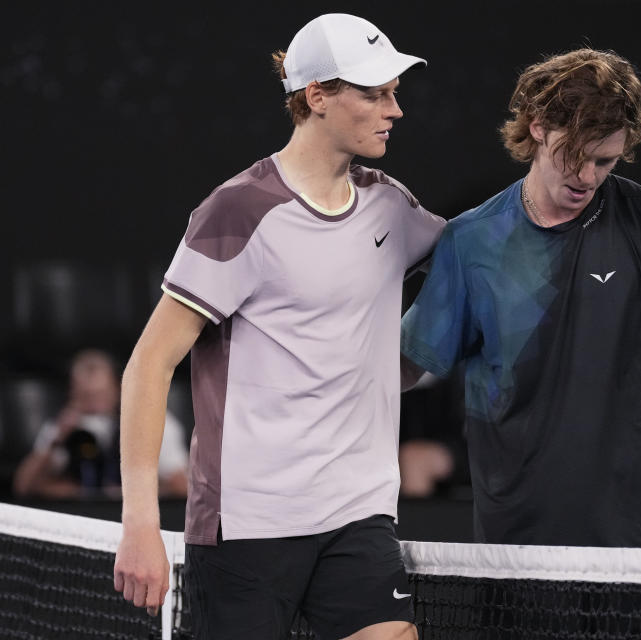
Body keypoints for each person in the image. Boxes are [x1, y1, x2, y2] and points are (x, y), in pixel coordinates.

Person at [113, 14, 444, 640]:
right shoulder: (235, 211)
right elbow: (149, 366)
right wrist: (139, 524)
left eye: (394, 92)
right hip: (247, 527)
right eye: (375, 93)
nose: (394, 109)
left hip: (357, 514)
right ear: (317, 96)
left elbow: (486, 250)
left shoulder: (391, 204)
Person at [400, 49, 641, 552]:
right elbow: (403, 367)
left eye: (604, 160)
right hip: (515, 552)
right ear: (538, 126)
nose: (587, 176)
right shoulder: (470, 241)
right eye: (575, 154)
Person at [12, 349, 188, 500]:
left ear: (118, 389)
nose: (95, 406)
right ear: (72, 394)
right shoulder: (62, 428)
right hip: (82, 516)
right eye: (85, 397)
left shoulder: (150, 420)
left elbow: (182, 488)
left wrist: (127, 495)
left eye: (101, 396)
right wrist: (58, 440)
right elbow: (24, 486)